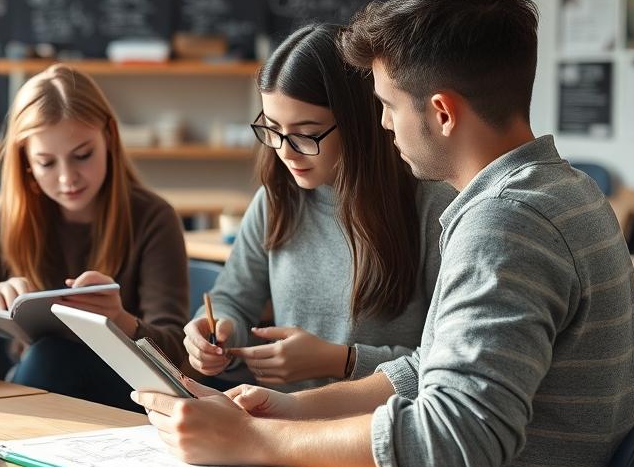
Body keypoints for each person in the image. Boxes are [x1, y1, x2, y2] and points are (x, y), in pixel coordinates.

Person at [138, 0, 634, 467]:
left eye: (385, 104)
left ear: (440, 110)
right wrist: (285, 412)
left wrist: (252, 443)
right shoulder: (554, 193)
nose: (380, 123)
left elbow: (455, 442)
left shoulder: (506, 224)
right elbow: (429, 367)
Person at [186, 23, 453, 392]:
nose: (284, 150)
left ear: (360, 124)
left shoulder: (432, 207)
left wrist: (340, 360)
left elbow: (448, 361)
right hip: (284, 423)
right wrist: (218, 327)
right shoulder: (276, 200)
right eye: (272, 128)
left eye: (306, 133)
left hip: (378, 429)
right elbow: (232, 298)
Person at [0, 64, 188, 410]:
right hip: (41, 391)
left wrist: (120, 320)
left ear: (110, 138)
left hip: (129, 399)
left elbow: (177, 355)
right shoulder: (11, 218)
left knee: (49, 356)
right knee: (46, 358)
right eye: (46, 163)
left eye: (82, 155)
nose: (68, 178)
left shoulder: (153, 218)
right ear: (25, 162)